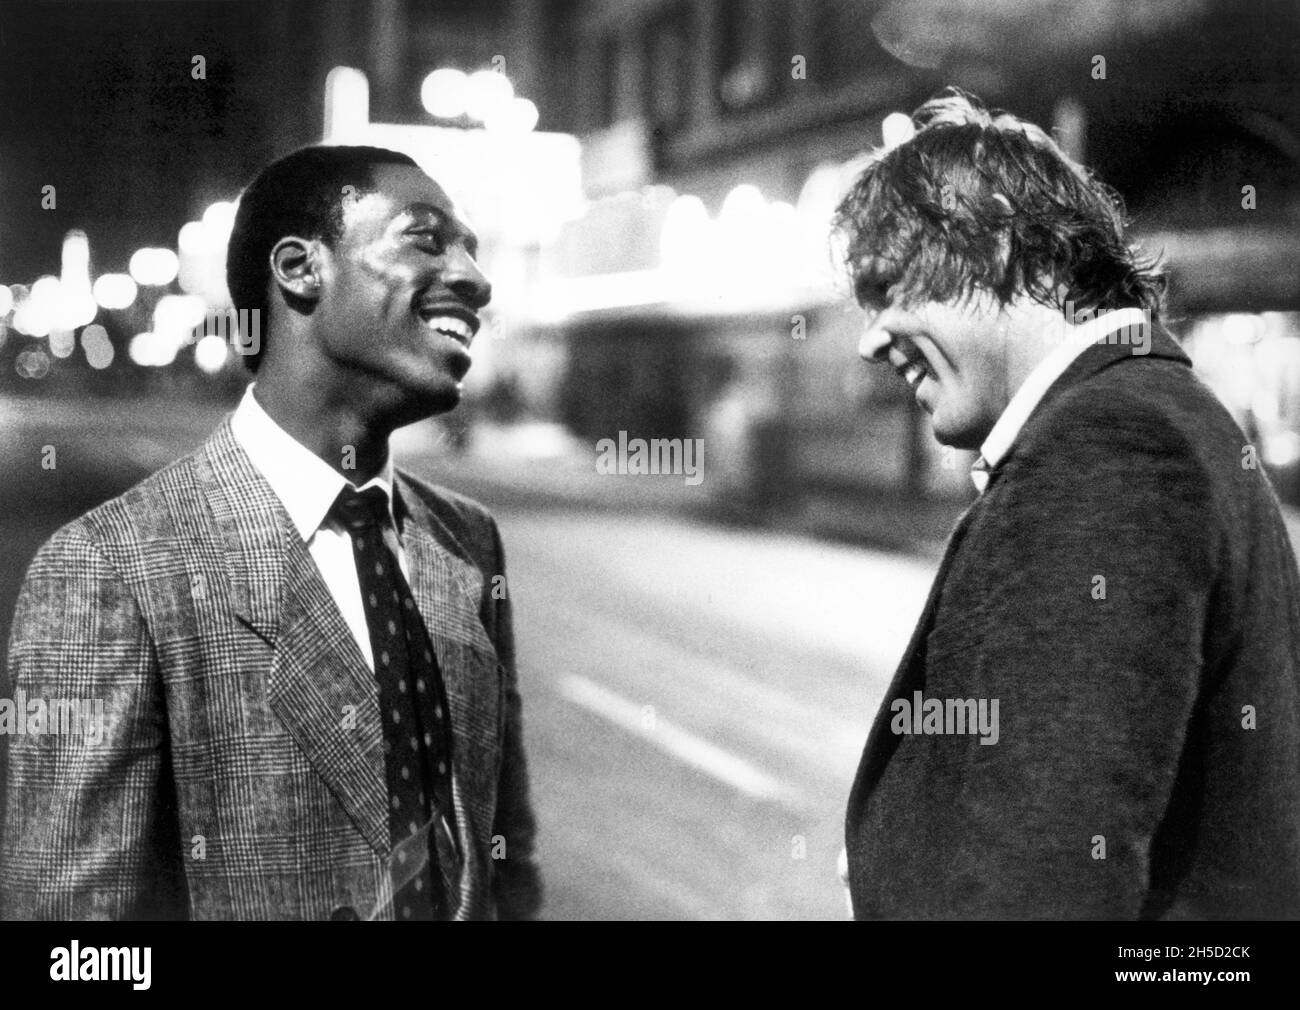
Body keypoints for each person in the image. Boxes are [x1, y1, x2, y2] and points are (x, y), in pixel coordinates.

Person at [1, 145, 541, 921]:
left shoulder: (467, 541)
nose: (476, 279)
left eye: (472, 251)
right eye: (427, 240)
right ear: (300, 268)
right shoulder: (109, 569)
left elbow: (504, 861)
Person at [838, 88, 1300, 919]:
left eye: (888, 288)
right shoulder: (1148, 411)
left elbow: (1044, 879)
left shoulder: (1109, 447)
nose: (871, 341)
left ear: (1004, 244)